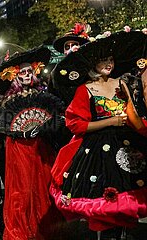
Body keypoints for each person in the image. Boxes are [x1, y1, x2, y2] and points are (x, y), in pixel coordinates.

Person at [50, 30, 147, 239]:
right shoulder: (85, 89)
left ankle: (122, 233)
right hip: (97, 150)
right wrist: (110, 121)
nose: (108, 63)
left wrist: (143, 131)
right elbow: (76, 125)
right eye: (103, 60)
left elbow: (132, 114)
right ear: (93, 63)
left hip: (126, 143)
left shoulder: (121, 83)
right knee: (104, 201)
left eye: (110, 59)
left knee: (128, 195)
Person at [0, 46, 65, 240]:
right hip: (19, 148)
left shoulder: (43, 93)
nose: (26, 74)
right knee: (23, 188)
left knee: (43, 185)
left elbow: (56, 118)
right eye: (22, 72)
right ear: (15, 75)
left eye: (29, 71)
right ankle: (23, 227)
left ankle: (44, 226)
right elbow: (1, 125)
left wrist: (44, 127)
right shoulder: (7, 98)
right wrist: (22, 132)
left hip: (41, 146)